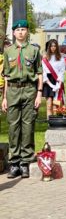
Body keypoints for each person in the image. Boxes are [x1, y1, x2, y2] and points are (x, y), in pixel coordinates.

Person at [1, 19, 43, 178]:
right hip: (12, 90)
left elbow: (39, 73)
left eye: (24, 29)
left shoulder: (34, 51)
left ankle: (25, 162)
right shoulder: (8, 51)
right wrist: (4, 97)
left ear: (27, 32)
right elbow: (5, 76)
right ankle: (15, 162)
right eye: (18, 30)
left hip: (29, 90)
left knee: (28, 125)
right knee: (13, 126)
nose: (20, 32)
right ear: (13, 33)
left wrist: (39, 93)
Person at [42, 39, 66, 119]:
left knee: (56, 105)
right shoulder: (45, 59)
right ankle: (50, 124)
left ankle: (56, 123)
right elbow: (44, 72)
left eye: (55, 46)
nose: (53, 48)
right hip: (48, 82)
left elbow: (62, 72)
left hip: (57, 82)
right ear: (49, 47)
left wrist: (58, 85)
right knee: (49, 105)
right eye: (51, 46)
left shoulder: (61, 58)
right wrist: (51, 85)